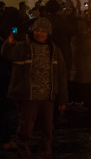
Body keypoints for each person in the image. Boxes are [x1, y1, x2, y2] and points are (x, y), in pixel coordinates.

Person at [1, 17, 68, 158]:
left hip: (47, 96)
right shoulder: (23, 47)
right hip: (28, 95)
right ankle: (23, 151)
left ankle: (45, 152)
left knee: (47, 128)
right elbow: (8, 55)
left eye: (44, 31)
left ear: (48, 33)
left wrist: (62, 99)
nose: (40, 34)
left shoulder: (55, 51)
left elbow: (61, 76)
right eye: (37, 30)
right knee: (26, 127)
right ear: (32, 31)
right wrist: (9, 43)